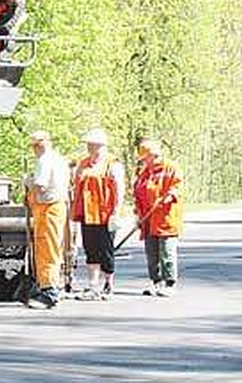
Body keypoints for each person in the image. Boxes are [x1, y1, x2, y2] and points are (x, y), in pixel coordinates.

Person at [70, 127, 125, 301]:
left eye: (92, 145)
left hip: (106, 214)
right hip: (87, 213)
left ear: (101, 146)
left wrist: (116, 212)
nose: (89, 148)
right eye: (88, 145)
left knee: (106, 249)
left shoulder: (113, 164)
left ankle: (108, 283)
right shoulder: (83, 164)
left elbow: (119, 189)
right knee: (90, 248)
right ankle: (93, 285)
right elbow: (75, 185)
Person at [22, 130, 70, 309]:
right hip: (56, 207)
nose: (35, 149)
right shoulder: (59, 159)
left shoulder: (44, 161)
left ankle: (49, 291)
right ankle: (51, 285)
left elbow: (40, 186)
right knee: (54, 248)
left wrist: (28, 182)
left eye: (36, 145)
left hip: (47, 208)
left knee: (45, 248)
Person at [132, 138, 183, 297]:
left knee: (166, 252)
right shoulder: (144, 173)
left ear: (153, 155)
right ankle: (155, 282)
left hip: (165, 219)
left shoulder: (171, 168)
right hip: (147, 219)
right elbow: (137, 194)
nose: (144, 161)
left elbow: (177, 186)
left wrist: (169, 196)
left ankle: (169, 283)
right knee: (151, 253)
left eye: (146, 158)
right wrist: (138, 214)